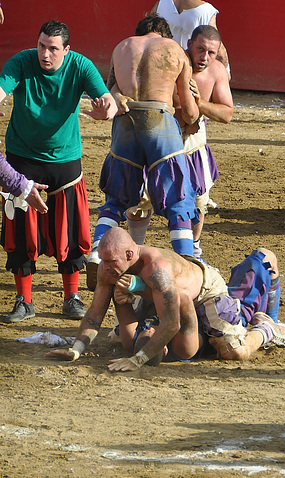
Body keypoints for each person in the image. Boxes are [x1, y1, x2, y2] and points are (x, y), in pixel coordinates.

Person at [45, 227, 285, 371]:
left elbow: (174, 319)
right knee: (127, 336)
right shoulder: (110, 268)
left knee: (235, 350)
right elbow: (94, 313)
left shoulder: (157, 268)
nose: (105, 267)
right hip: (160, 295)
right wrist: (76, 348)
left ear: (130, 253)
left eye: (110, 261)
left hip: (202, 292)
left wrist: (138, 360)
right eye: (103, 260)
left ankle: (267, 329)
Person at [0, 20, 117, 323]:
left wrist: (107, 109)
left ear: (67, 50)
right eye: (41, 46)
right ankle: (23, 301)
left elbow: (107, 101)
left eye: (53, 48)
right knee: (22, 232)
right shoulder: (22, 61)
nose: (45, 54)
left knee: (72, 231)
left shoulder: (80, 65)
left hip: (65, 163)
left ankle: (72, 297)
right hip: (22, 159)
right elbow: (1, 87)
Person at [86, 14, 201, 290]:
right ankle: (185, 259)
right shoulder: (174, 50)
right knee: (179, 200)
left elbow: (110, 90)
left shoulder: (122, 47)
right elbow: (188, 109)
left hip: (125, 122)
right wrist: (196, 111)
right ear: (165, 34)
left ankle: (95, 252)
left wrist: (119, 95)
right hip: (159, 121)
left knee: (116, 199)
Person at [125, 25, 234, 259]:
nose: (205, 57)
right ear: (189, 45)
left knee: (197, 202)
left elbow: (226, 113)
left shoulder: (217, 71)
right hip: (161, 138)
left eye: (211, 52)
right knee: (141, 199)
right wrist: (185, 114)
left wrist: (199, 103)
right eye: (200, 49)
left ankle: (192, 254)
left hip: (193, 143)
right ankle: (134, 252)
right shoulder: (171, 63)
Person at [151, 0, 230, 75]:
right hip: (190, 71)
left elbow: (146, 34)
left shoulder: (161, 3)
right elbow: (219, 50)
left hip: (161, 67)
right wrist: (226, 74)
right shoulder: (206, 11)